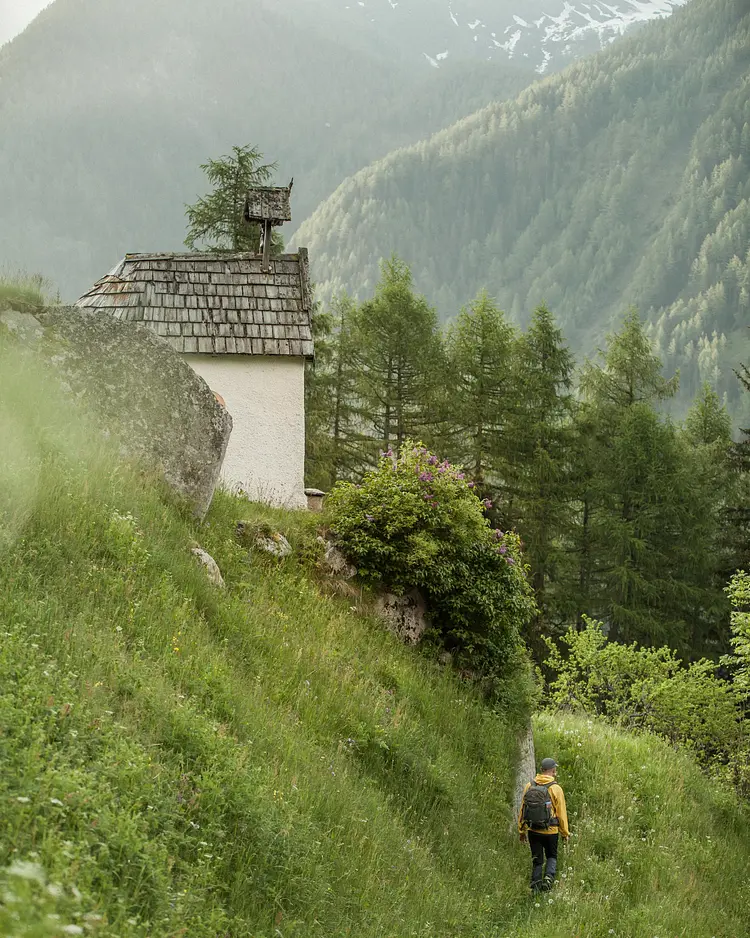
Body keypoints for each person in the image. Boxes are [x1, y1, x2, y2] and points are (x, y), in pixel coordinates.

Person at [518, 756, 569, 892]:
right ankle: (548, 879)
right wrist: (565, 833)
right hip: (551, 830)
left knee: (537, 859)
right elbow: (561, 813)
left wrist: (521, 830)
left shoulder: (530, 786)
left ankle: (535, 885)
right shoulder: (556, 788)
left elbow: (523, 809)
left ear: (541, 770)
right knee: (551, 855)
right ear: (553, 770)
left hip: (533, 829)